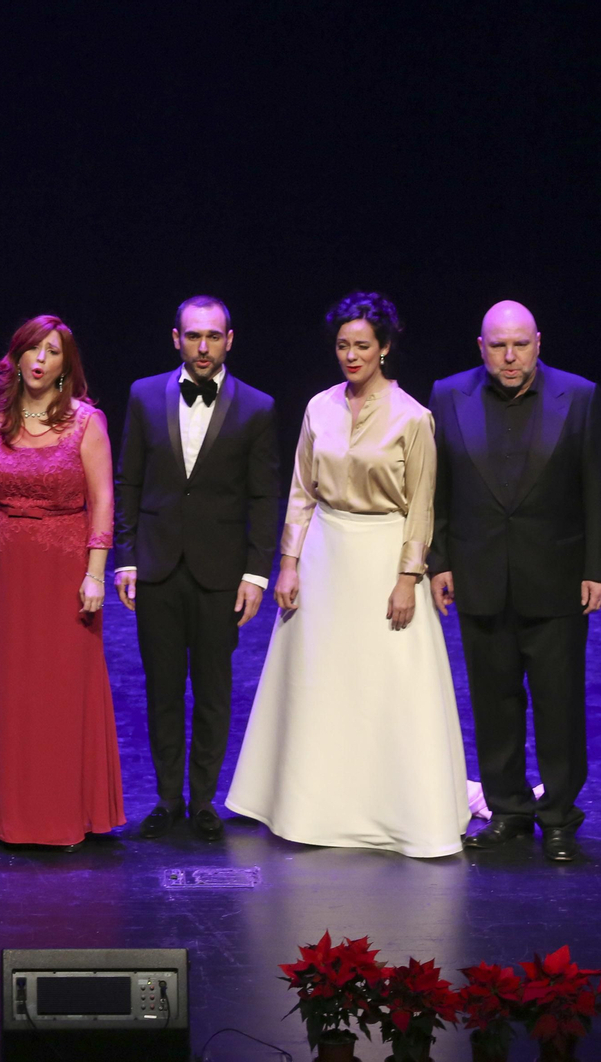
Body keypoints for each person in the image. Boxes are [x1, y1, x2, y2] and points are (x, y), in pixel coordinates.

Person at [226, 292, 468, 857]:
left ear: (384, 348)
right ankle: (310, 806)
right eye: (343, 346)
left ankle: (392, 809)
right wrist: (287, 563)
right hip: (325, 555)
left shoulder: (413, 417)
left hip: (383, 556)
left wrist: (409, 576)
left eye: (363, 346)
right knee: (320, 682)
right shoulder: (319, 408)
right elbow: (301, 492)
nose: (351, 356)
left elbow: (421, 506)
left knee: (385, 686)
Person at [427, 299, 601, 862]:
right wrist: (440, 561)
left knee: (560, 702)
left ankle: (559, 814)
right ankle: (509, 809)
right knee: (494, 701)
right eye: (498, 346)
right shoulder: (449, 394)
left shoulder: (579, 396)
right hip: (479, 575)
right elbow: (437, 490)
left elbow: (600, 490)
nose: (510, 357)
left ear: (538, 341)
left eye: (520, 345)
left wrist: (599, 569)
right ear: (480, 347)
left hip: (557, 576)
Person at [114, 295, 279, 842]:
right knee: (162, 690)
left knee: (212, 691)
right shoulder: (143, 396)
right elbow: (129, 482)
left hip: (219, 573)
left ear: (229, 339)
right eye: (193, 336)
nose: (202, 346)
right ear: (176, 338)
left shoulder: (257, 407)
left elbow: (262, 497)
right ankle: (166, 799)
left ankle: (204, 800)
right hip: (158, 567)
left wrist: (256, 574)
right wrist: (127, 558)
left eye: (213, 336)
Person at [0, 315, 124, 848]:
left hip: (65, 569)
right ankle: (9, 814)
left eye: (50, 351)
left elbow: (102, 503)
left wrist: (95, 574)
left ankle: (66, 814)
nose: (38, 359)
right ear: (16, 356)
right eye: (30, 349)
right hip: (7, 568)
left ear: (64, 364)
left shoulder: (85, 422)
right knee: (12, 689)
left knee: (60, 691)